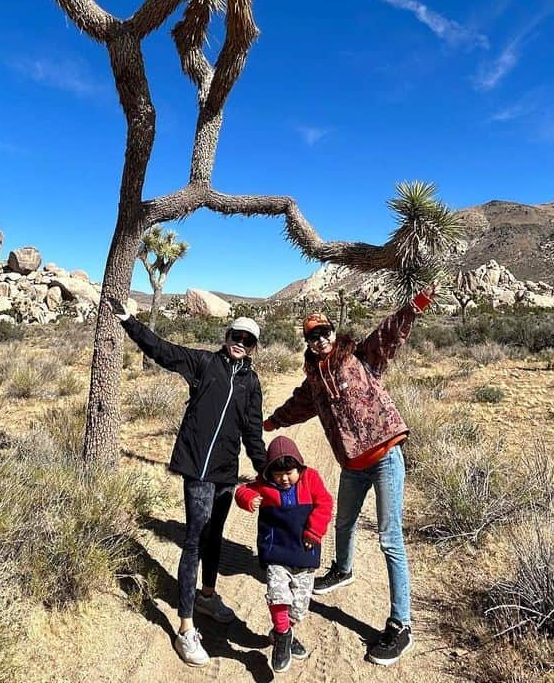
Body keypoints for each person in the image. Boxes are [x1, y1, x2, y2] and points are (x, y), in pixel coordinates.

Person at [262, 287, 435, 666]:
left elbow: (390, 333)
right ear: (306, 341)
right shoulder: (313, 376)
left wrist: (415, 306)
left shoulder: (359, 356)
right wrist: (273, 421)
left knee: (390, 539)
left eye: (324, 331)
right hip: (352, 465)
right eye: (312, 335)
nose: (320, 338)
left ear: (332, 330)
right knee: (343, 521)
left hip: (385, 454)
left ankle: (401, 624)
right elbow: (299, 405)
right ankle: (342, 569)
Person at [108, 296, 267, 668]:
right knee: (194, 540)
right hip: (197, 469)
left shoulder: (251, 382)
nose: (240, 341)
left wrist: (266, 472)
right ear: (226, 335)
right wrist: (130, 321)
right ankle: (184, 627)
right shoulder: (204, 362)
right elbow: (162, 351)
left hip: (226, 473)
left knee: (215, 538)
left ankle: (207, 596)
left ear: (254, 347)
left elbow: (253, 431)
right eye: (236, 334)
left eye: (248, 339)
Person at [234, 435, 334, 673]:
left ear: (299, 467)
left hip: (304, 552)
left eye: (289, 472)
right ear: (270, 472)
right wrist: (248, 498)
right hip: (276, 551)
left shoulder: (311, 479)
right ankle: (281, 634)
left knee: (298, 607)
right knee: (278, 595)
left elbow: (326, 503)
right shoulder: (265, 484)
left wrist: (314, 530)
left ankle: (284, 632)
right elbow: (242, 491)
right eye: (278, 474)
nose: (284, 478)